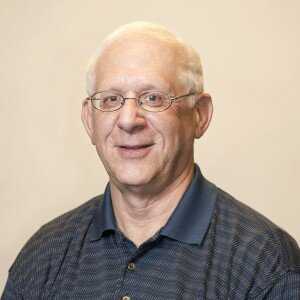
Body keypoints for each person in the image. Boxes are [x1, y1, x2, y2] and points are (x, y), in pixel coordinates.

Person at [2, 22, 300, 300]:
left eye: (153, 98)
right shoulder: (44, 255)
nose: (129, 120)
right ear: (90, 121)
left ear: (200, 115)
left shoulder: (265, 261)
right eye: (111, 99)